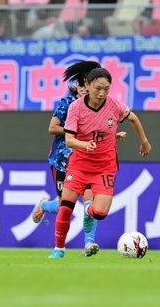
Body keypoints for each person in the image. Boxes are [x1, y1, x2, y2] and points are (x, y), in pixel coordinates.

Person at [48, 67, 151, 259]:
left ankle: (88, 210)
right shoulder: (75, 107)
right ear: (87, 85)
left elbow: (134, 119)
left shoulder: (114, 106)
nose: (102, 93)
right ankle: (59, 249)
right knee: (65, 207)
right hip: (79, 164)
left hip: (104, 167)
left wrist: (143, 141)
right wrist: (84, 145)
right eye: (97, 88)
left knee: (100, 213)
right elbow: (70, 140)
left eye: (106, 88)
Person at [31, 61, 126, 257]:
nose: (93, 90)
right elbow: (52, 127)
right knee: (63, 206)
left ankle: (89, 243)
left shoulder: (102, 105)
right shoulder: (68, 104)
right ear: (83, 84)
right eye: (87, 85)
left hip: (87, 161)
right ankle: (44, 206)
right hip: (62, 160)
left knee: (89, 201)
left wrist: (106, 135)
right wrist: (76, 132)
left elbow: (102, 129)